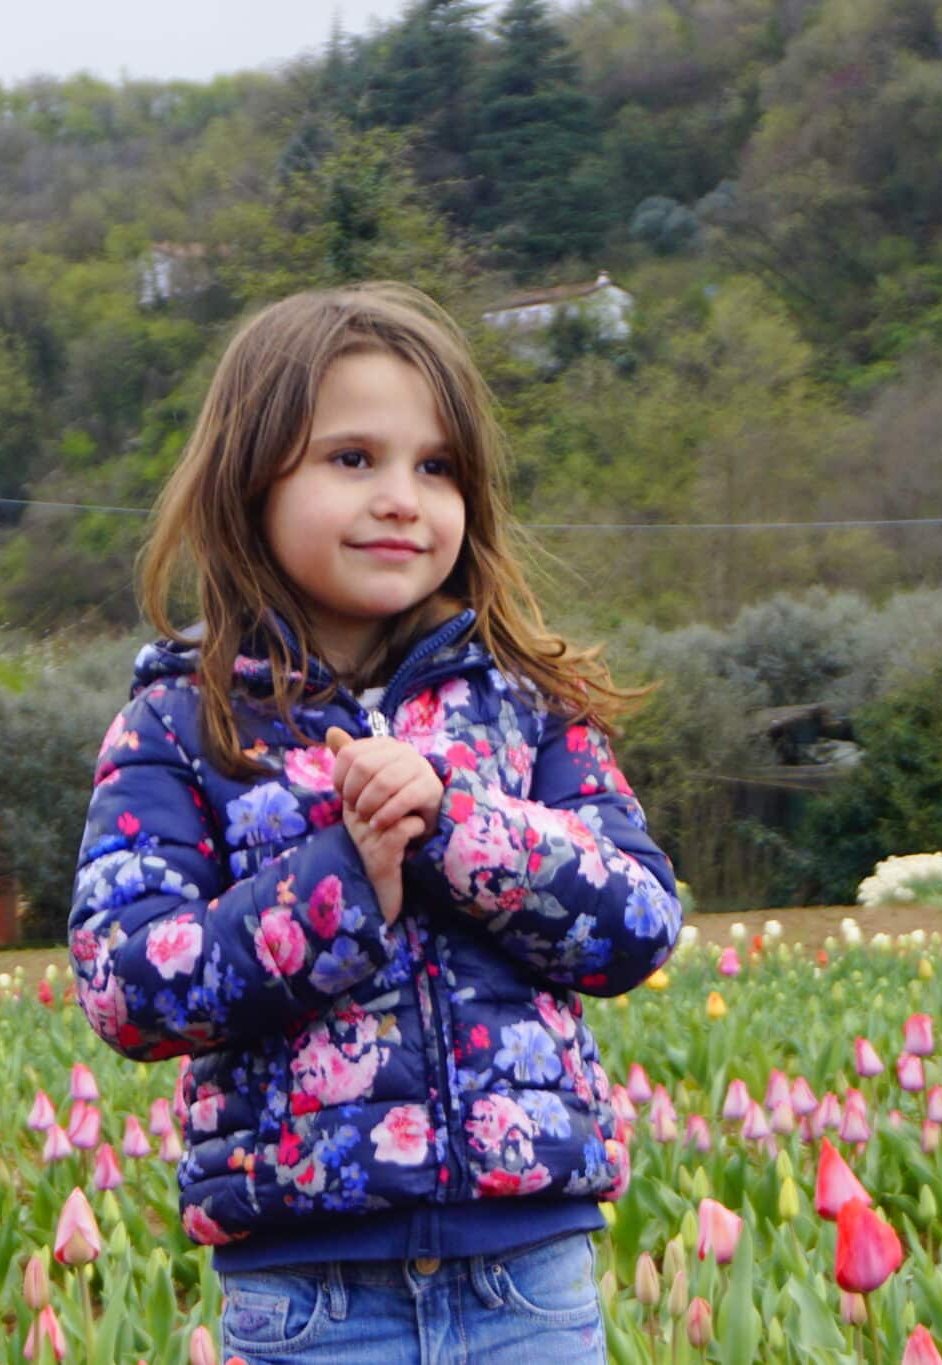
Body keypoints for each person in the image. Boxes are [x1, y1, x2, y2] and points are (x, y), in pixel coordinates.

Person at [67, 284, 682, 1364]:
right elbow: (127, 985)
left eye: (434, 466)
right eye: (352, 459)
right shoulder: (180, 723)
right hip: (309, 1295)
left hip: (528, 1275)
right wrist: (342, 882)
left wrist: (452, 829)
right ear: (248, 481)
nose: (402, 497)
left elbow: (635, 921)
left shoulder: (525, 705)